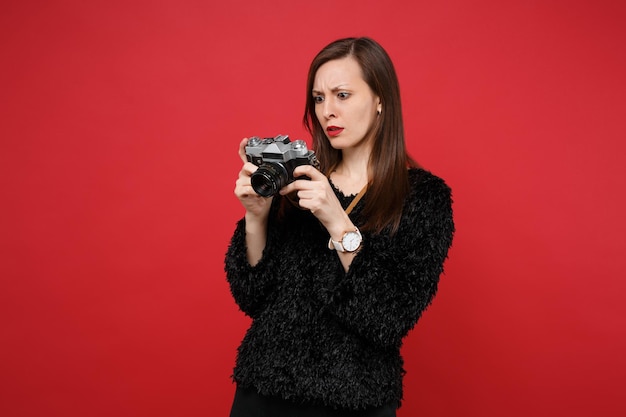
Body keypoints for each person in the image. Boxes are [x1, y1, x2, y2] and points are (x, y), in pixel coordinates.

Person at [225, 37, 454, 417]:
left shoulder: (423, 198)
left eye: (342, 95)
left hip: (353, 401)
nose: (327, 111)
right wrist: (256, 215)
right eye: (318, 98)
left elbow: (389, 317)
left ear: (381, 99)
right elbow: (252, 298)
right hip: (263, 394)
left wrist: (337, 221)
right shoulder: (297, 179)